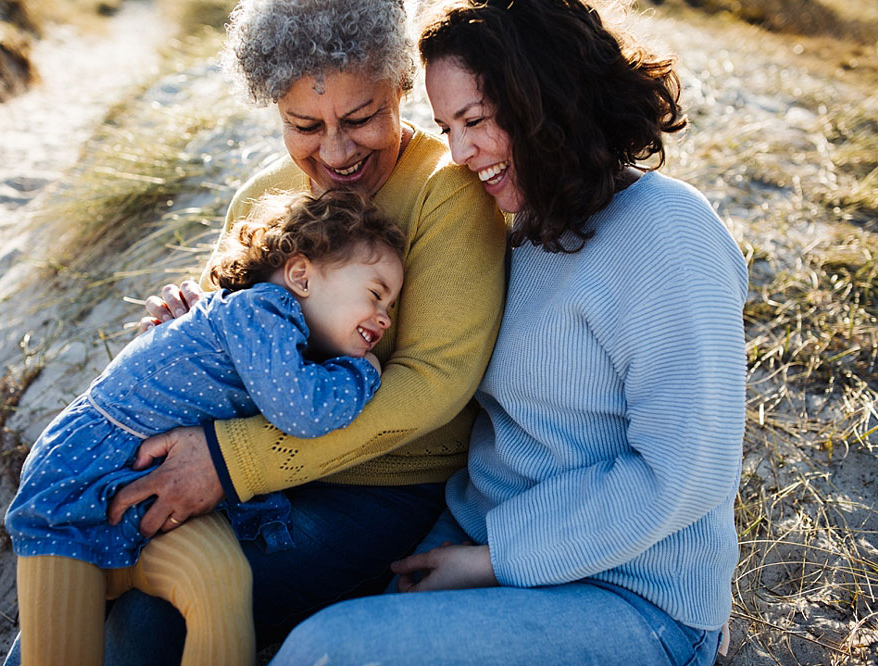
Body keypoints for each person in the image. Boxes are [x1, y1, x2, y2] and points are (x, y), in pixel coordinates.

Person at [0, 0, 506, 663]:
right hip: (249, 472)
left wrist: (228, 461)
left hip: (376, 490)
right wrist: (186, 318)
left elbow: (434, 384)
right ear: (274, 106)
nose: (336, 149)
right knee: (83, 565)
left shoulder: (447, 191)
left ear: (400, 87)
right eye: (305, 124)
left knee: (149, 620)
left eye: (361, 118)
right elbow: (231, 331)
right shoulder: (266, 196)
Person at [269, 0, 748, 664]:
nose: (460, 154)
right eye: (445, 126)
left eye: (474, 121)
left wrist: (495, 560)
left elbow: (685, 471)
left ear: (545, 99)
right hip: (474, 539)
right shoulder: (520, 228)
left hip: (633, 598)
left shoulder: (668, 232)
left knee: (325, 650)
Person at [4, 190, 408, 666]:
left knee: (220, 578)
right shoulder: (264, 310)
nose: (384, 316)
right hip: (81, 480)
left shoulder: (272, 333)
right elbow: (303, 411)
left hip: (147, 492)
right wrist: (365, 372)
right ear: (300, 275)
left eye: (392, 305)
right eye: (375, 293)